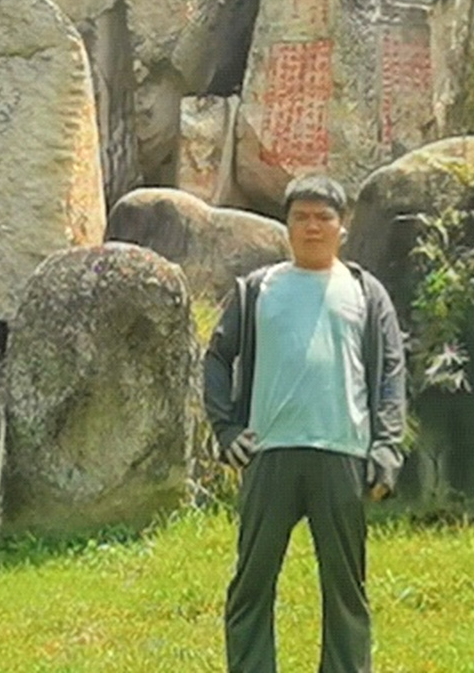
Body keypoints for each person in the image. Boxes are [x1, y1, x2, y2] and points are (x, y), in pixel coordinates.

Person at [203, 173, 407, 673]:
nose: (312, 227)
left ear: (343, 227)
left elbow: (391, 372)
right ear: (286, 226)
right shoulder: (258, 290)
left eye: (324, 217)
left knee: (345, 591)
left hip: (342, 452)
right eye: (301, 217)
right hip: (269, 452)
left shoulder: (365, 291)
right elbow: (216, 355)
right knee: (251, 584)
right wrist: (225, 429)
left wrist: (386, 447)